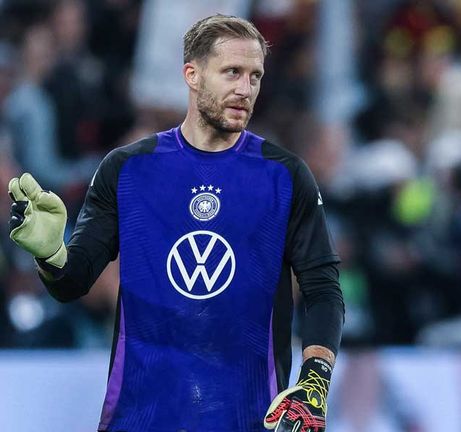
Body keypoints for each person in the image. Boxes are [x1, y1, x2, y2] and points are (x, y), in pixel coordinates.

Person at [8, 15, 343, 432]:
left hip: (246, 419)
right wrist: (51, 254)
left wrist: (315, 381)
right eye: (232, 73)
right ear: (193, 74)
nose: (246, 89)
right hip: (138, 419)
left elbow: (323, 289)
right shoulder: (126, 169)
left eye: (255, 76)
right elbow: (73, 282)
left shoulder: (286, 175)